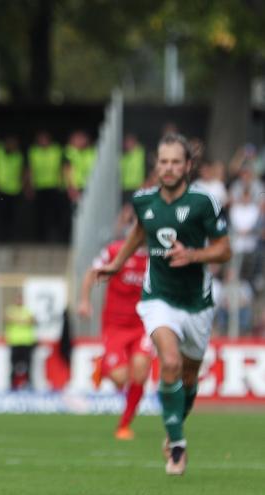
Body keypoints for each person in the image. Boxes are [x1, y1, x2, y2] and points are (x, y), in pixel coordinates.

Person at [94, 133, 231, 476]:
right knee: (168, 361)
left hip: (197, 303)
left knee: (187, 376)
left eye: (175, 162)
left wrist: (193, 254)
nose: (168, 168)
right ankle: (177, 447)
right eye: (163, 161)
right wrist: (118, 264)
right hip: (158, 298)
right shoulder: (144, 201)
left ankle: (173, 428)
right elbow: (140, 233)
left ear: (187, 166)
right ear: (156, 164)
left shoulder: (204, 203)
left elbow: (225, 250)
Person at [78, 228, 152, 440]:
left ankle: (124, 424)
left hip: (142, 324)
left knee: (140, 370)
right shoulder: (114, 251)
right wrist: (84, 301)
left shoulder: (156, 259)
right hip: (115, 326)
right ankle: (104, 367)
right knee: (121, 378)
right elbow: (92, 272)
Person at [5, 292, 36, 390]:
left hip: (26, 342)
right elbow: (8, 319)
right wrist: (23, 321)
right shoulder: (11, 310)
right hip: (15, 341)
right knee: (13, 365)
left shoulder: (27, 310)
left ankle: (28, 384)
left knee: (28, 365)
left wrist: (17, 320)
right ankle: (12, 385)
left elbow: (32, 321)